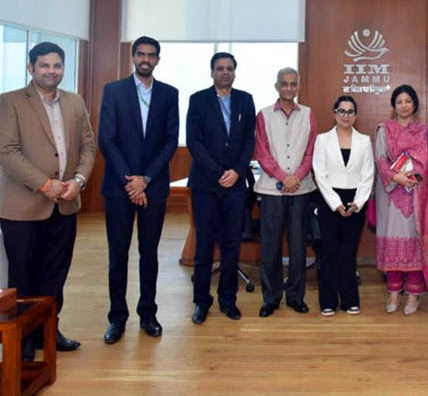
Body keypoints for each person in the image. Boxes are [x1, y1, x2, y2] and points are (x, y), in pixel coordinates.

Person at [0, 42, 95, 361]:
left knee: (55, 274)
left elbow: (88, 146)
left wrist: (78, 181)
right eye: (44, 65)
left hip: (66, 203)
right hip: (23, 207)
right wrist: (44, 185)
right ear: (31, 68)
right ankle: (23, 340)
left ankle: (48, 331)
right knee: (23, 276)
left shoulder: (75, 101)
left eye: (57, 65)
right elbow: (6, 151)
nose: (51, 71)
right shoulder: (10, 102)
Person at [98, 35, 179, 344]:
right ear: (133, 57)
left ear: (158, 59)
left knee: (149, 253)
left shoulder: (169, 94)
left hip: (153, 186)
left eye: (151, 55)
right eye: (141, 54)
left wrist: (145, 179)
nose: (146, 59)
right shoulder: (113, 91)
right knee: (118, 255)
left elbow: (170, 140)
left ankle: (148, 314)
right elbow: (107, 139)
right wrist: (130, 181)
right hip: (119, 188)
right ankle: (117, 318)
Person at [186, 52, 255, 324]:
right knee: (204, 248)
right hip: (206, 184)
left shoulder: (245, 100)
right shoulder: (198, 100)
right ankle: (201, 302)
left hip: (235, 186)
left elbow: (249, 140)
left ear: (235, 72)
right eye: (220, 68)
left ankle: (228, 300)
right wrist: (218, 173)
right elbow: (194, 141)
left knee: (231, 246)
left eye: (229, 68)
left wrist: (237, 171)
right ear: (212, 72)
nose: (225, 72)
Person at [254, 67, 317, 317]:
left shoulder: (308, 114)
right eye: (284, 84)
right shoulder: (264, 115)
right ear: (277, 86)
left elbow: (311, 151)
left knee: (298, 246)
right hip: (272, 190)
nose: (289, 88)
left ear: (298, 86)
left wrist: (296, 177)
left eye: (293, 84)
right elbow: (262, 152)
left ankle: (295, 296)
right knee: (270, 246)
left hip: (301, 189)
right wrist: (283, 177)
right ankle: (271, 298)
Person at [374, 85, 428, 315]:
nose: (404, 106)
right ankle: (393, 291)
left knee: (413, 242)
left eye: (408, 101)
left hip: (416, 194)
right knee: (392, 242)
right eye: (399, 101)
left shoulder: (424, 131)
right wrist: (396, 177)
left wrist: (412, 178)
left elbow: (427, 161)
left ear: (415, 104)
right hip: (390, 195)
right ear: (394, 105)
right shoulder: (384, 129)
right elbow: (380, 159)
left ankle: (414, 294)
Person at [312, 96, 374, 317]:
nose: (346, 115)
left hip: (356, 200)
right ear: (335, 113)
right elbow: (320, 174)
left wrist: (358, 202)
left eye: (350, 111)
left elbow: (368, 174)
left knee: (348, 253)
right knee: (329, 252)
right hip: (329, 199)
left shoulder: (364, 141)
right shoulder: (322, 140)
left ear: (355, 115)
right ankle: (328, 301)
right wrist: (336, 203)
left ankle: (350, 300)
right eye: (342, 111)